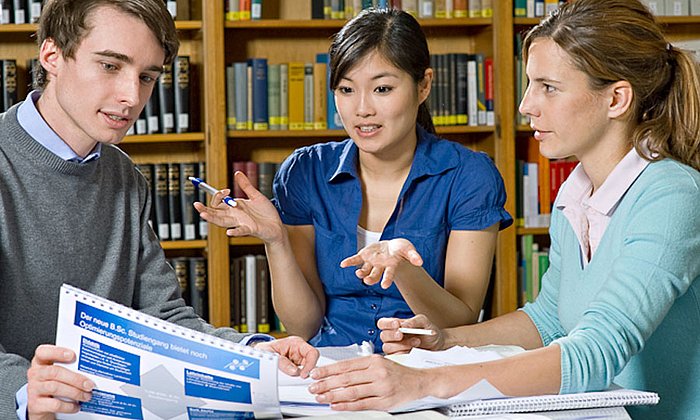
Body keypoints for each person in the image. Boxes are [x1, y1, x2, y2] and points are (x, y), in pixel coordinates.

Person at [305, 1, 700, 418]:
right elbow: (549, 321)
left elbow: (595, 353)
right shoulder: (576, 191)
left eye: (548, 87)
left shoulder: (671, 195)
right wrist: (447, 340)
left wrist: (424, 383)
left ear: (616, 98)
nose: (526, 105)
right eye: (529, 84)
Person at [0, 1, 318, 418]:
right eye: (111, 66)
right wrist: (24, 393)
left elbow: (162, 316)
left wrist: (252, 352)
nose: (132, 97)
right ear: (52, 56)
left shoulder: (125, 176)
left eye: (147, 76)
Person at [195, 8, 512, 350]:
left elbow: (459, 321)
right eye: (346, 90)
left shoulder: (469, 176)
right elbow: (304, 325)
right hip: (329, 367)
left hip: (423, 368)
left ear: (424, 86)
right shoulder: (305, 172)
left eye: (383, 89)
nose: (362, 109)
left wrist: (403, 271)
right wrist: (276, 241)